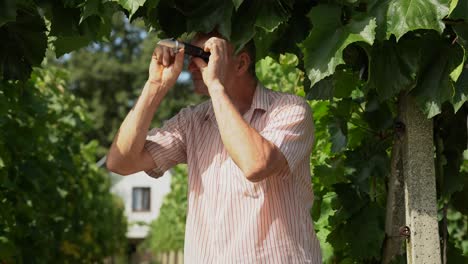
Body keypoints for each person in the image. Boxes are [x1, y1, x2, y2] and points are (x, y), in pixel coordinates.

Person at [106, 32, 322, 263]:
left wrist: (216, 87)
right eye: (191, 56)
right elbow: (120, 162)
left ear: (240, 63)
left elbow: (256, 165)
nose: (192, 67)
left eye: (205, 56)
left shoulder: (289, 109)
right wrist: (155, 85)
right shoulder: (192, 122)